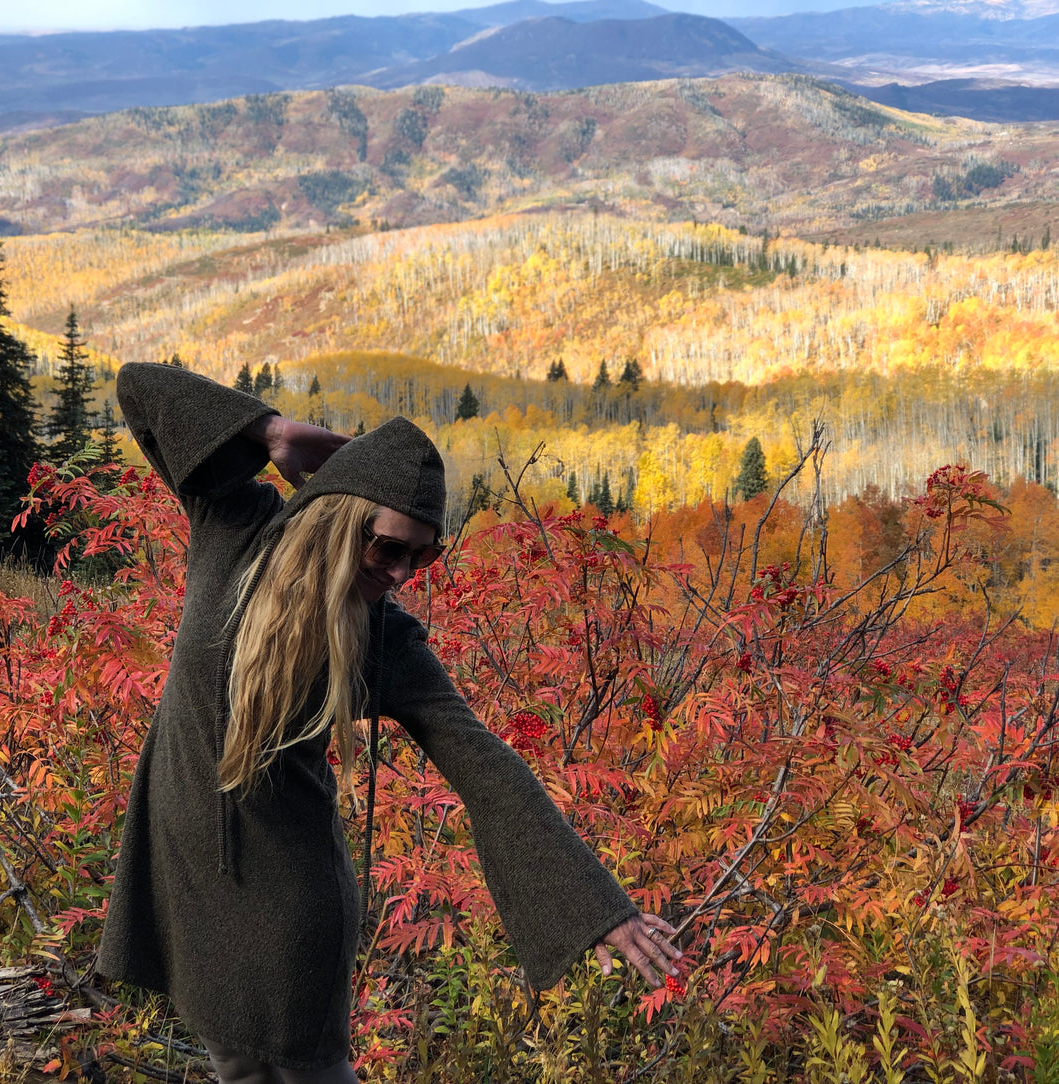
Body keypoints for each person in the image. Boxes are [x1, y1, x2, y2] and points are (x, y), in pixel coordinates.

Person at [96, 363, 682, 1084]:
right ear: (339, 517)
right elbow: (140, 388)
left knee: (307, 1073)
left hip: (290, 905)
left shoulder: (381, 640)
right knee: (236, 1069)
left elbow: (480, 760)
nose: (403, 572)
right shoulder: (233, 528)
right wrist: (271, 431)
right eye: (388, 547)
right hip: (189, 881)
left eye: (422, 555)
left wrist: (594, 907)